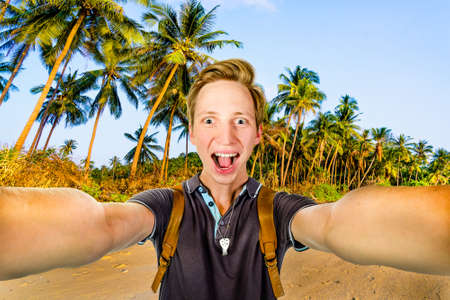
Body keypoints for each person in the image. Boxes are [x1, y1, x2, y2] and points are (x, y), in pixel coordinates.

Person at [0, 59, 448, 300]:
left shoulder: (280, 209)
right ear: (193, 133)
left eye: (240, 121)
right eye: (210, 120)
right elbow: (101, 224)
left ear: (256, 134)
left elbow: (335, 223)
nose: (226, 135)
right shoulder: (164, 205)